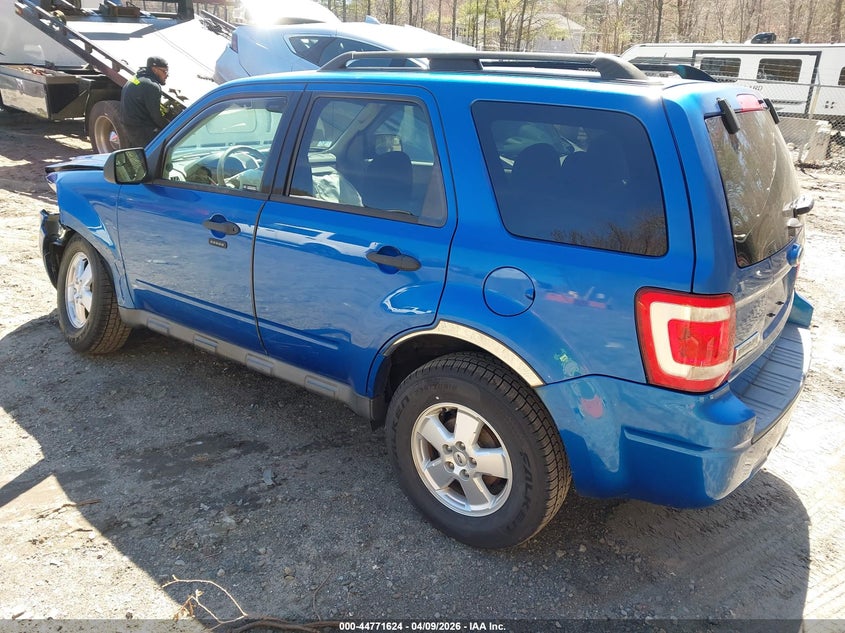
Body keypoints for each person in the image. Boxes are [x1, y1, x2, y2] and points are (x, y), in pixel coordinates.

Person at [120, 56, 170, 148]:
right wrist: (170, 127)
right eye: (164, 71)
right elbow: (156, 116)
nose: (167, 75)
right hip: (142, 130)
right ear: (154, 70)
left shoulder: (135, 78)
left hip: (130, 126)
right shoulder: (151, 85)